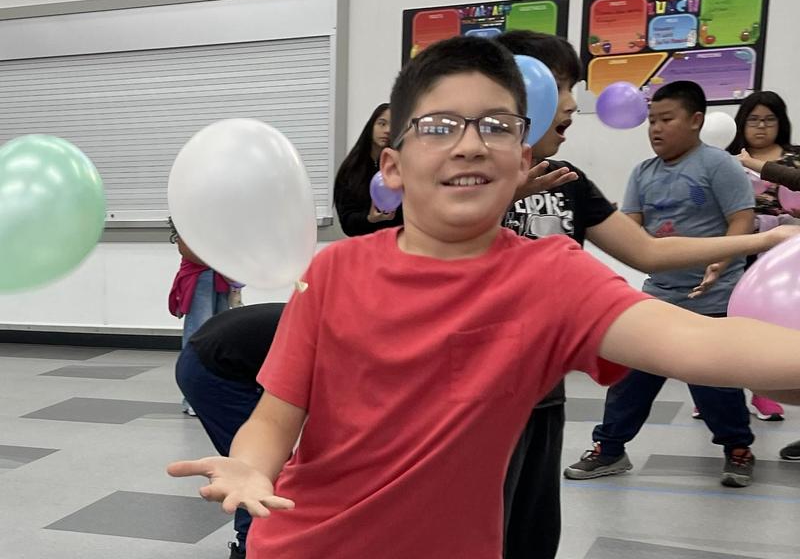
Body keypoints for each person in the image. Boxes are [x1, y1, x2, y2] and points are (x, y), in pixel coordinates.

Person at [168, 37, 800, 559]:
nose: (469, 143)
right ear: (393, 166)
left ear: (522, 160)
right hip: (305, 545)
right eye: (439, 127)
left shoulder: (551, 277)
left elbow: (700, 341)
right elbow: (275, 417)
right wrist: (251, 465)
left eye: (496, 126)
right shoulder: (333, 271)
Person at [495, 31, 800, 559]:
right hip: (478, 397)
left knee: (531, 534)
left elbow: (646, 251)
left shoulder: (567, 181)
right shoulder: (457, 189)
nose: (572, 105)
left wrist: (763, 240)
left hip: (542, 392)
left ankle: (728, 445)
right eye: (562, 87)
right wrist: (491, 204)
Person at [564, 80, 759, 488]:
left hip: (713, 297)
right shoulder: (643, 172)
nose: (655, 128)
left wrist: (721, 262)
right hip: (659, 295)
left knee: (714, 383)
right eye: (651, 120)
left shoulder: (718, 165)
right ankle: (610, 449)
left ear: (696, 120)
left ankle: (738, 449)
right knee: (631, 375)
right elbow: (632, 229)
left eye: (666, 119)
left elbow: (742, 218)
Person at [175, 303, 285, 559]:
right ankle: (247, 548)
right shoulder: (334, 339)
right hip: (213, 370)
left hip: (212, 355)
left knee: (266, 466)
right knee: (258, 469)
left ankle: (256, 543)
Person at [728, 91, 800, 420]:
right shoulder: (727, 160)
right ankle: (718, 391)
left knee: (772, 324)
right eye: (753, 119)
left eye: (769, 119)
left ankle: (765, 390)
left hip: (785, 255)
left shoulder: (794, 158)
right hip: (737, 247)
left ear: (780, 122)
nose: (761, 126)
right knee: (731, 321)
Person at [167, 217, 233, 415]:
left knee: (223, 335)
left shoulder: (222, 217)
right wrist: (219, 261)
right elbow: (185, 249)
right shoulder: (189, 215)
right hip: (200, 276)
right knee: (198, 335)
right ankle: (193, 399)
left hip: (222, 276)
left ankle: (217, 394)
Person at [333, 103, 403, 236]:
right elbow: (347, 222)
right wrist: (369, 218)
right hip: (365, 243)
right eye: (382, 124)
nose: (388, 130)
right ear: (371, 126)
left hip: (397, 242)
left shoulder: (402, 167)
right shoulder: (351, 169)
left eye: (393, 126)